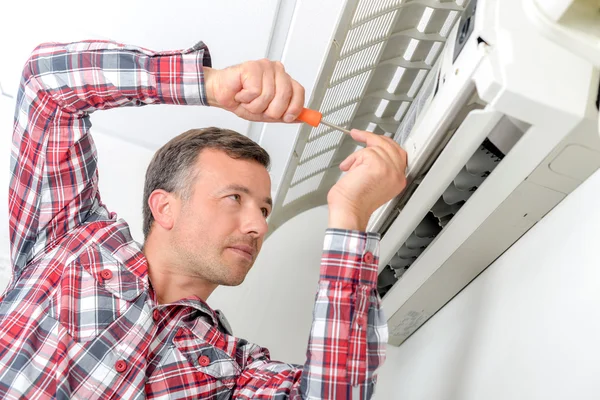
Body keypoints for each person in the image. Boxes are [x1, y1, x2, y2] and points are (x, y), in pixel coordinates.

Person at [0, 39, 407, 399]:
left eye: (264, 209)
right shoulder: (71, 236)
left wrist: (350, 216)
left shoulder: (234, 372)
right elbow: (47, 85)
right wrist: (212, 85)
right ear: (164, 208)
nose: (259, 226)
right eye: (235, 198)